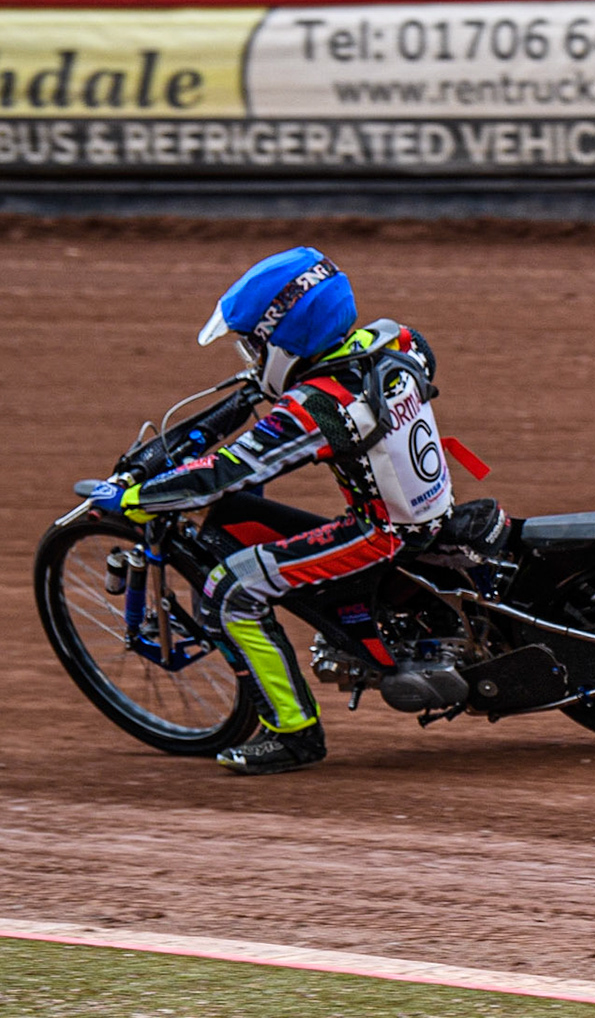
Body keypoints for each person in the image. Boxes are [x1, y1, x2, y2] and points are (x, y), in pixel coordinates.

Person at [91, 246, 460, 776]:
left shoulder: (318, 408)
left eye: (255, 344)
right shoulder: (397, 342)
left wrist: (133, 499)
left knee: (232, 589)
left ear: (284, 337)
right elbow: (277, 400)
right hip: (432, 512)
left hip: (383, 534)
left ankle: (292, 733)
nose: (251, 356)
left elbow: (226, 471)